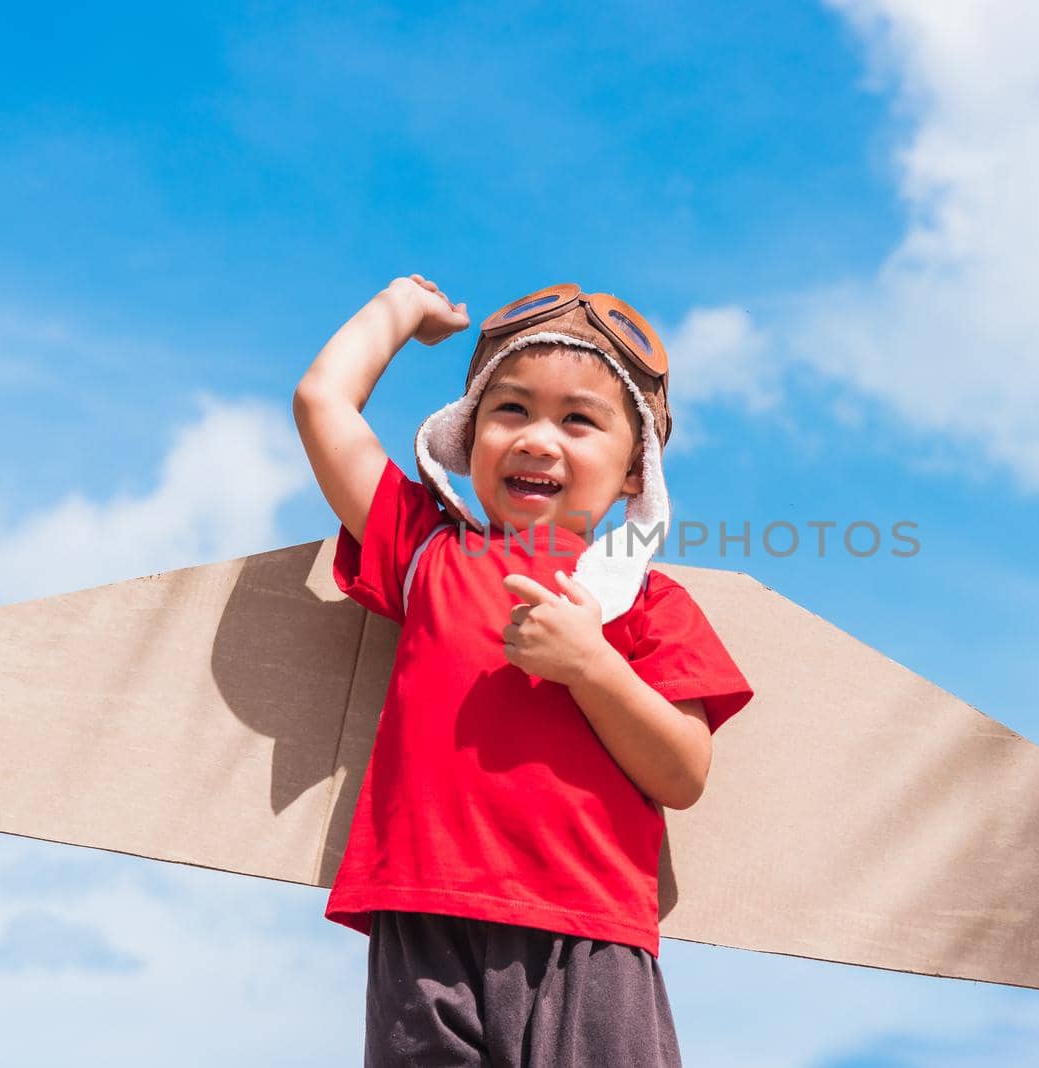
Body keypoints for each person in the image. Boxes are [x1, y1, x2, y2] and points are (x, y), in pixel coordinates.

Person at [292, 274, 754, 1067]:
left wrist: (590, 666)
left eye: (579, 421)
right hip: (422, 921)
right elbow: (322, 404)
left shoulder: (645, 599)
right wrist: (402, 307)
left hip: (588, 929)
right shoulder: (425, 552)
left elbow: (683, 772)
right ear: (466, 440)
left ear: (636, 472)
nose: (538, 438)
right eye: (510, 410)